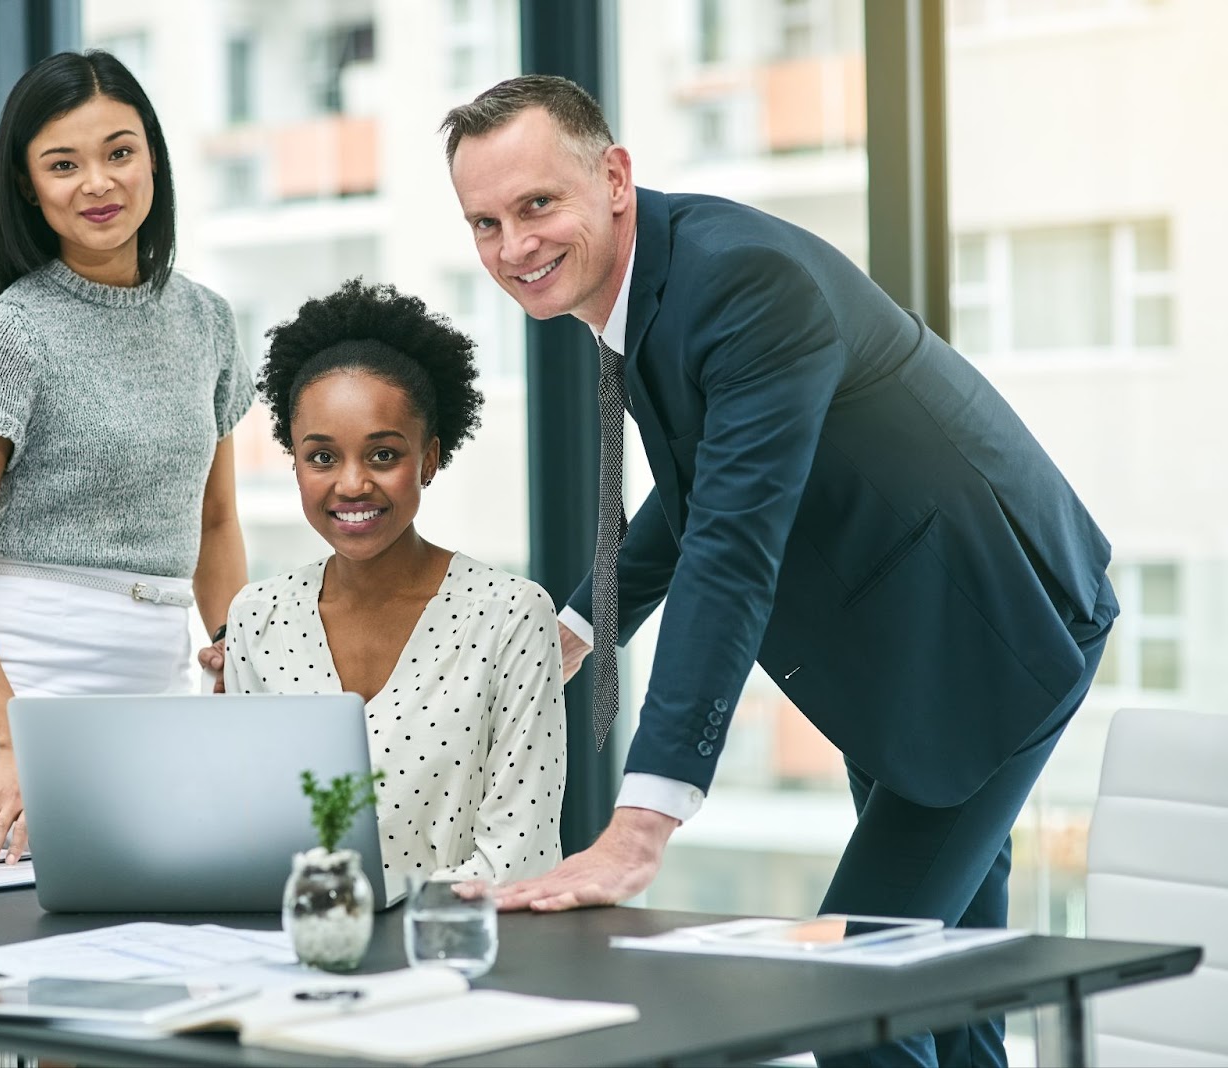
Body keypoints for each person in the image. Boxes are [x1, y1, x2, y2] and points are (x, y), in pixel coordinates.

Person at [440, 75, 1118, 1068]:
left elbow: (729, 543)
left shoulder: (743, 283)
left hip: (994, 632)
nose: (513, 248)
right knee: (943, 990)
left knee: (850, 1006)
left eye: (537, 205)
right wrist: (570, 636)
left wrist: (640, 824)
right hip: (891, 638)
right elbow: (697, 494)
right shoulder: (653, 285)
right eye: (484, 223)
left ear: (614, 177)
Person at [0, 50, 252, 866]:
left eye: (119, 152)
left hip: (161, 667)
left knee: (161, 919)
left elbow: (214, 517)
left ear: (154, 161)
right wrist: (11, 736)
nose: (97, 182)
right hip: (30, 675)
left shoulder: (207, 321)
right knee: (19, 931)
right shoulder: (12, 336)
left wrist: (238, 653)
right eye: (63, 164)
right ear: (30, 185)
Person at [213, 279, 566, 903]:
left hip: (455, 959)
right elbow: (248, 834)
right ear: (294, 462)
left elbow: (520, 857)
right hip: (298, 957)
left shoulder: (510, 614)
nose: (351, 484)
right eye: (322, 458)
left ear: (428, 459)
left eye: (382, 455)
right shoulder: (257, 617)